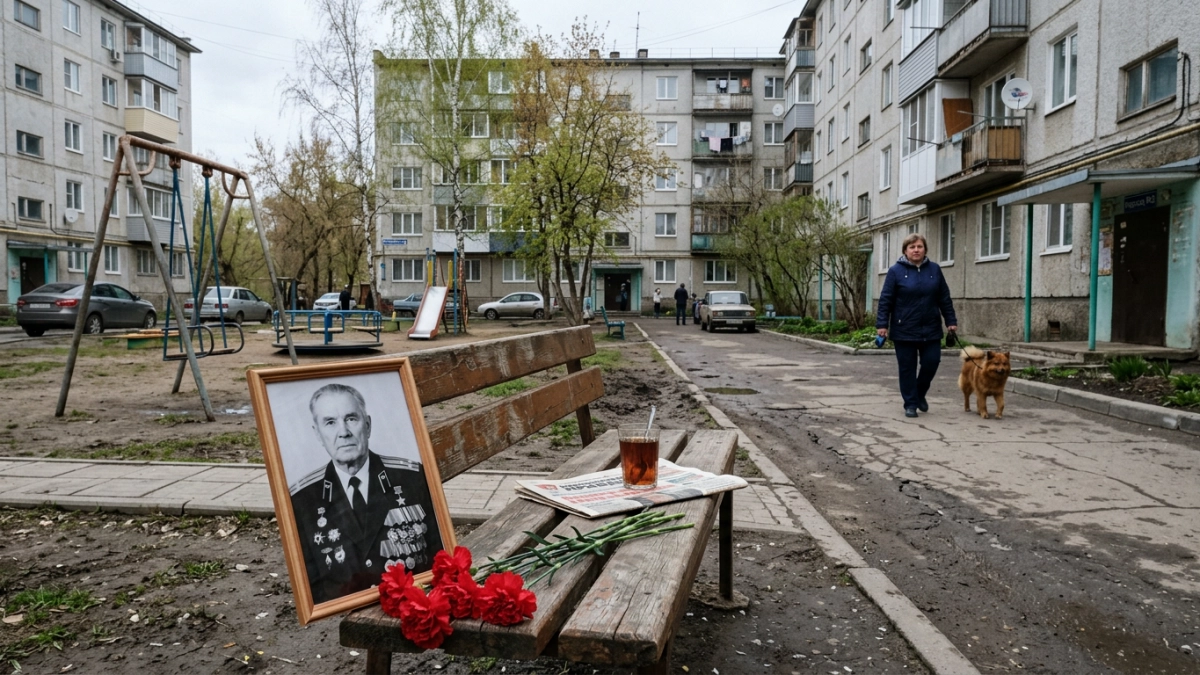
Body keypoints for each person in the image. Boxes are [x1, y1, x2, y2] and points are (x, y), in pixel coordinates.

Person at [290, 383, 443, 604]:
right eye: (330, 422)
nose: (343, 432)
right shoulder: (303, 499)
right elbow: (312, 582)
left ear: (368, 425)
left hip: (410, 601)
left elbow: (436, 554)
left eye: (351, 419)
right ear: (318, 434)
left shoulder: (411, 478)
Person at [876, 233, 958, 418]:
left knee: (932, 362)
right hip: (904, 328)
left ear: (925, 250)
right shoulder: (895, 271)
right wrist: (882, 324)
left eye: (919, 246)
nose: (916, 250)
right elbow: (885, 300)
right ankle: (911, 404)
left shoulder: (934, 270)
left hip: (931, 327)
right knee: (907, 368)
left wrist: (951, 321)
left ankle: (920, 393)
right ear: (905, 250)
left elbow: (944, 298)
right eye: (912, 247)